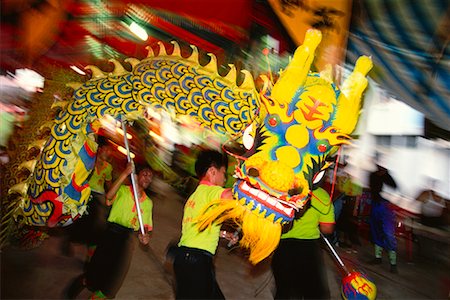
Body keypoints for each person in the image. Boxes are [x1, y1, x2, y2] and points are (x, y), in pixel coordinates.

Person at [66, 162, 154, 299]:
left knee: (112, 282)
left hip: (126, 240)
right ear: (136, 176)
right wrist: (125, 173)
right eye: (145, 174)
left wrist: (145, 236)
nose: (148, 178)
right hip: (110, 235)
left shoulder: (148, 202)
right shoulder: (123, 191)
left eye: (151, 176)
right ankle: (78, 286)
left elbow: (146, 226)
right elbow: (108, 198)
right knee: (95, 273)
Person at [172, 149, 236, 299]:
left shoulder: (195, 197)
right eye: (224, 173)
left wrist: (224, 234)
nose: (225, 179)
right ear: (213, 172)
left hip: (185, 260)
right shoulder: (211, 191)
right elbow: (229, 196)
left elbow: (200, 226)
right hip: (197, 262)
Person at [271, 187, 335, 299]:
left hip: (283, 246)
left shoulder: (282, 189)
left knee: (285, 290)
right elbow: (327, 228)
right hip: (309, 249)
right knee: (313, 291)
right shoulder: (321, 195)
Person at [368, 160, 398, 273]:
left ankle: (393, 263)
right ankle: (378, 258)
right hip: (376, 205)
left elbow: (394, 189)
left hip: (386, 207)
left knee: (388, 233)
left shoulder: (388, 177)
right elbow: (373, 189)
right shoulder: (373, 175)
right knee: (376, 230)